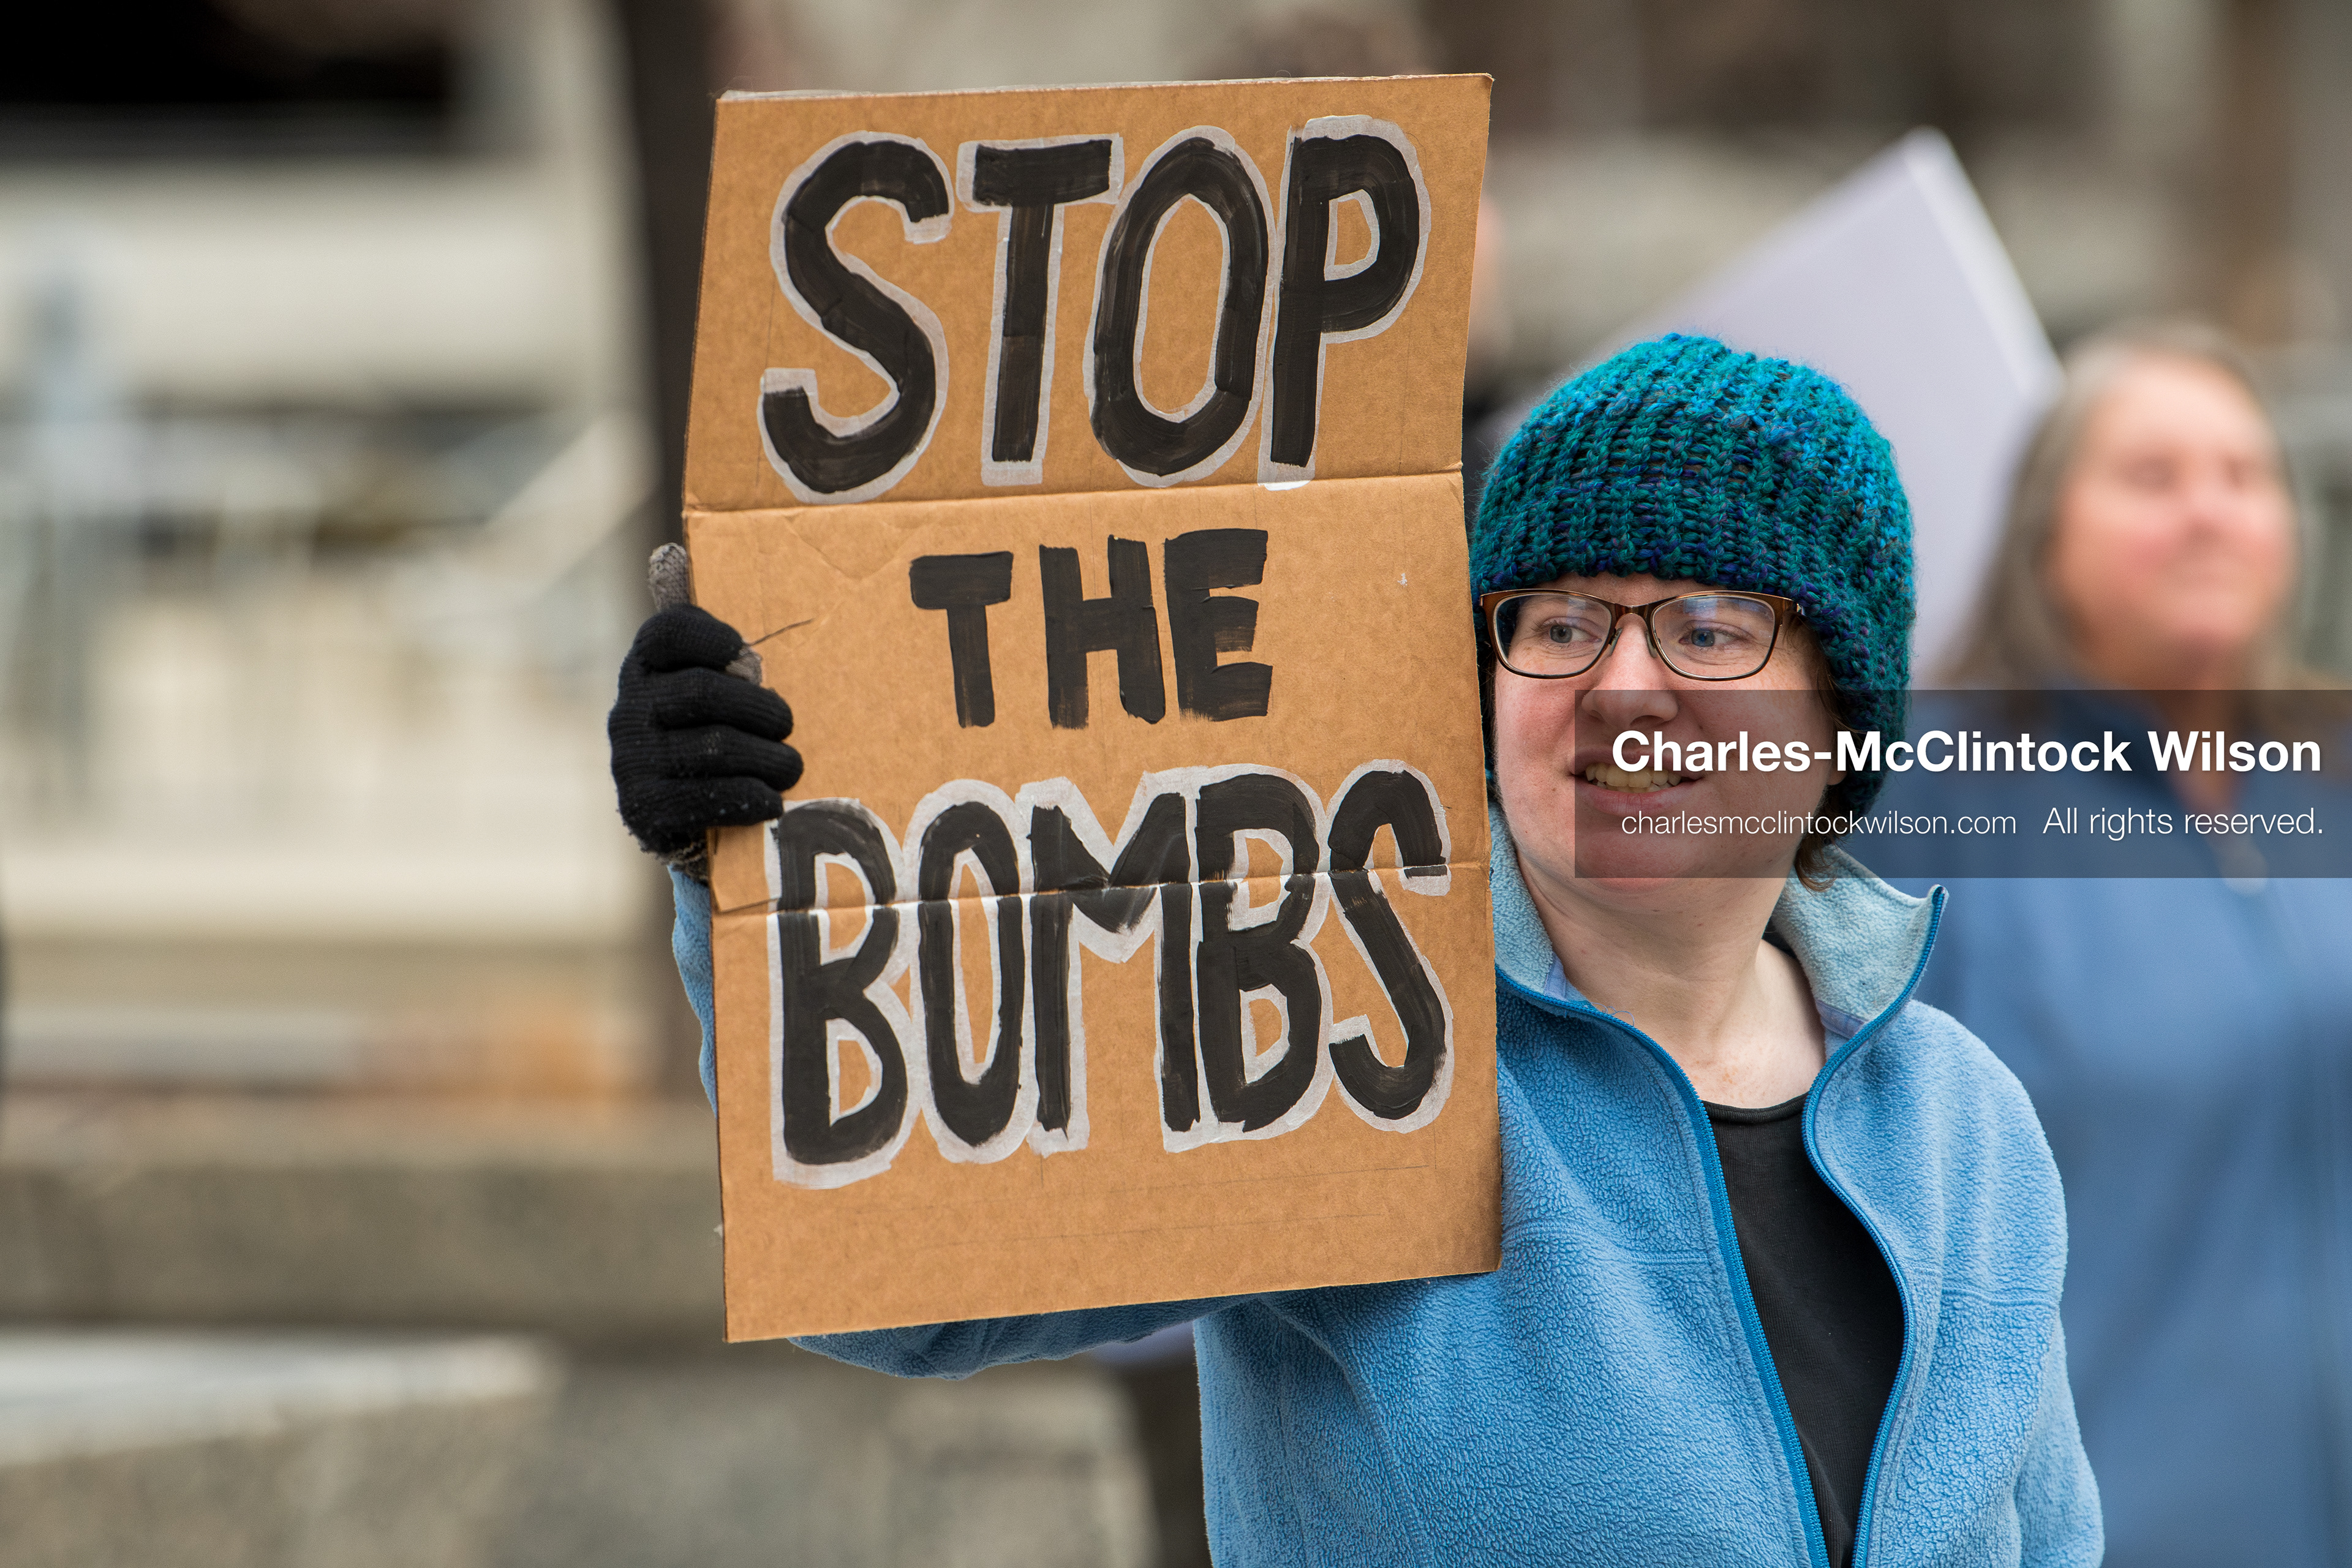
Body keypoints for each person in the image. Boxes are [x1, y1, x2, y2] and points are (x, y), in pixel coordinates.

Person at [607, 334, 2100, 1566]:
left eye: (1708, 630)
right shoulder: (1324, 1026)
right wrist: (737, 866)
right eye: (1559, 622)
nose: (1621, 686)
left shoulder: (1962, 1121)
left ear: (1840, 714)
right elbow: (904, 1293)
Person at [1882, 320, 2352, 1568]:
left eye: (2243, 475)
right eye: (2153, 477)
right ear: (2045, 538)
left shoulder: (2327, 786)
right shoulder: (1930, 812)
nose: (2209, 512)